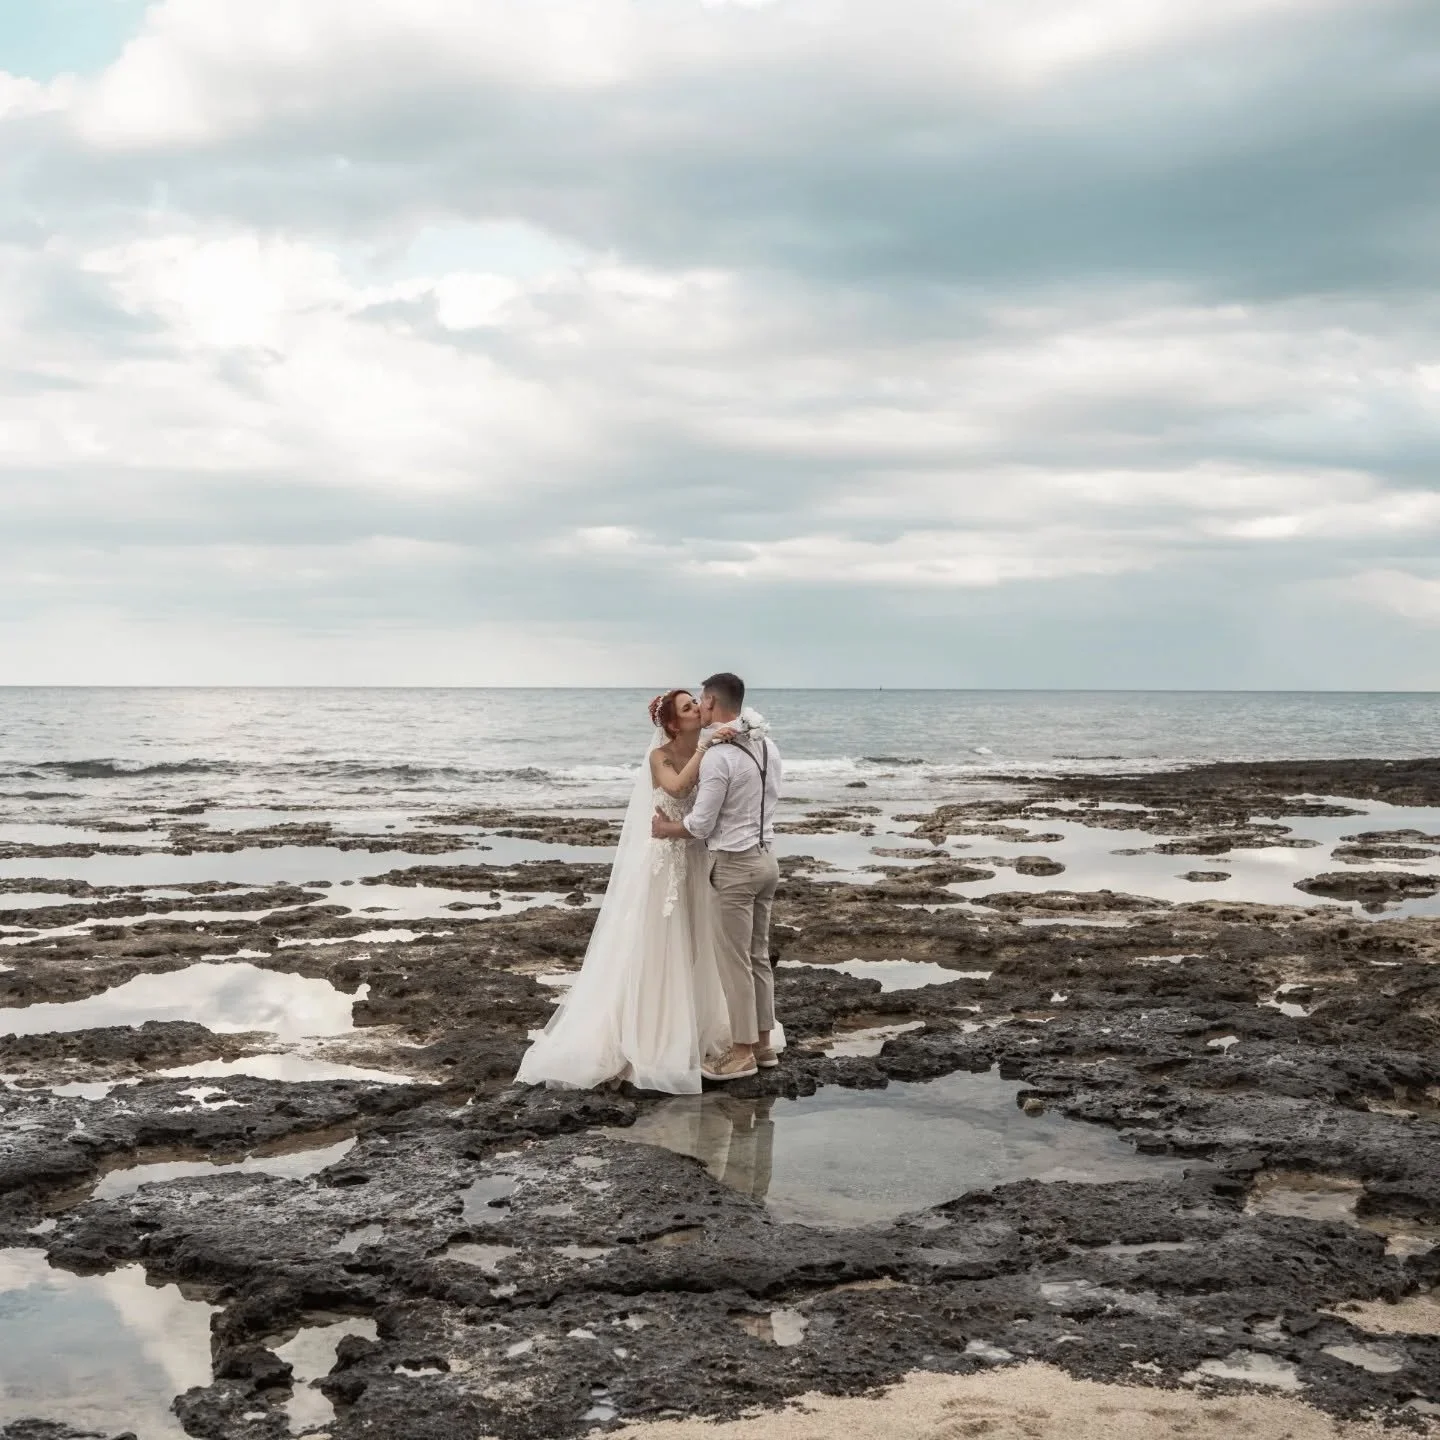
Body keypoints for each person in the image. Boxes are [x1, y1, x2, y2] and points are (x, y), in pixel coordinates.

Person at [516, 688, 746, 1094]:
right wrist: (706, 748)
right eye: (688, 707)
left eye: (697, 702)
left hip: (697, 858)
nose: (697, 709)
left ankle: (699, 1028)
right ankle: (654, 1035)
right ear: (673, 724)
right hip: (664, 866)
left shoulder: (713, 750)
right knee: (662, 944)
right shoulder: (661, 756)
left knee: (700, 944)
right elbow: (675, 789)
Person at [650, 672, 782, 1082]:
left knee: (735, 963)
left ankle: (741, 1053)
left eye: (700, 702)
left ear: (710, 701)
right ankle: (763, 1045)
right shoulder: (766, 746)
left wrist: (667, 829)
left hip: (736, 867)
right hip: (766, 861)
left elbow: (701, 825)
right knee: (759, 958)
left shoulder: (719, 758)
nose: (699, 709)